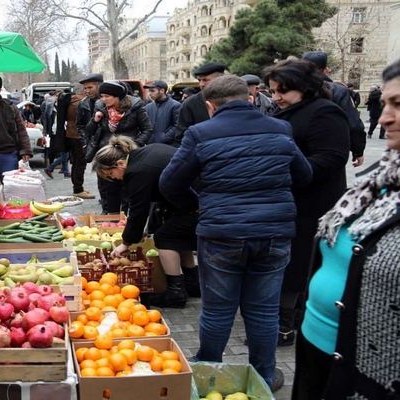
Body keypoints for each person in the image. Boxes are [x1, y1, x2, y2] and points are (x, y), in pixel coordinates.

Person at [159, 75, 313, 391]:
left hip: (222, 235)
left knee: (217, 312)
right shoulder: (280, 128)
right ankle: (264, 379)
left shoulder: (200, 133)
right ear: (251, 98)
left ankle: (206, 378)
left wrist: (198, 204)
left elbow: (169, 183)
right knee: (263, 312)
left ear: (209, 105)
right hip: (274, 234)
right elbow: (305, 175)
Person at [292, 58, 400, 400]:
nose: (383, 119)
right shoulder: (378, 183)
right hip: (316, 351)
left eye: (398, 105)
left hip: (374, 376)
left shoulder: (325, 113)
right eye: (385, 104)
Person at [263, 59, 350, 348]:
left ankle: (286, 325)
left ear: (304, 88)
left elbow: (332, 157)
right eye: (273, 90)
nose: (276, 97)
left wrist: (283, 172)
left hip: (314, 204)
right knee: (290, 262)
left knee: (300, 263)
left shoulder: (325, 112)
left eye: (282, 91)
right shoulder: (288, 111)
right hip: (289, 200)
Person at [93, 136, 197, 308]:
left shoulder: (136, 172)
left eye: (111, 174)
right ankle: (193, 285)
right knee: (177, 235)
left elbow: (138, 210)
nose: (115, 179)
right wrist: (143, 230)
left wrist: (126, 243)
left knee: (165, 238)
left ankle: (176, 293)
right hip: (193, 200)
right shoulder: (146, 151)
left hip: (197, 203)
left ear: (120, 164)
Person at [85, 80, 153, 214]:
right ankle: (109, 215)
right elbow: (89, 131)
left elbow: (147, 129)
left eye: (107, 96)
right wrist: (95, 120)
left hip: (127, 153)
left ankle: (126, 216)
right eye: (102, 96)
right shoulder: (100, 106)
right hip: (106, 153)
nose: (103, 99)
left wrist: (133, 146)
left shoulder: (135, 106)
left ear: (117, 96)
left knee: (126, 187)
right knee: (107, 187)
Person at [302, 51, 366, 167]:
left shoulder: (292, 88)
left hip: (298, 147)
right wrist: (358, 150)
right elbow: (353, 123)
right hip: (331, 148)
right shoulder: (338, 90)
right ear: (326, 70)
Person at [174, 62, 227, 144]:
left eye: (205, 80)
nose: (201, 84)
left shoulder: (232, 99)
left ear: (219, 80)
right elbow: (181, 135)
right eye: (199, 80)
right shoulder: (190, 104)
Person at [56, 87, 95, 199]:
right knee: (80, 163)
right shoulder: (80, 103)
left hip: (71, 133)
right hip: (78, 135)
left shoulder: (72, 100)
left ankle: (78, 187)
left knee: (76, 163)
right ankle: (78, 189)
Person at [75, 73, 105, 198]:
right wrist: (85, 141)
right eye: (85, 88)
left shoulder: (108, 100)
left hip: (108, 141)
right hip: (93, 143)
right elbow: (80, 125)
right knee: (101, 173)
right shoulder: (83, 103)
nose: (87, 91)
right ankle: (105, 202)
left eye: (90, 87)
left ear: (99, 86)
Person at [144, 80, 182, 145]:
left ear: (162, 91)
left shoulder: (175, 106)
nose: (150, 93)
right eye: (149, 91)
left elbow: (178, 126)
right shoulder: (148, 107)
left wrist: (164, 138)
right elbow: (145, 125)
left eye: (152, 91)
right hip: (150, 145)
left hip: (168, 146)